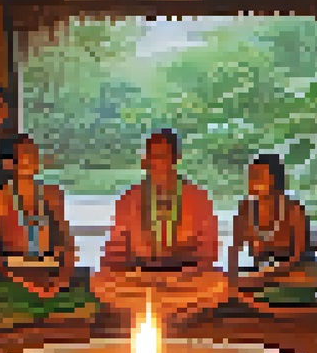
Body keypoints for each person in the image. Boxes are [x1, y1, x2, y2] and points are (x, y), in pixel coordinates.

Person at [90, 129, 232, 329]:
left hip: (181, 278)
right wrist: (122, 265)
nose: (154, 161)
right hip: (140, 276)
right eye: (150, 155)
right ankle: (173, 315)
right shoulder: (129, 198)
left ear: (175, 158)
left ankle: (148, 313)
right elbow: (116, 246)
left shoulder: (197, 197)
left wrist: (183, 267)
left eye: (161, 155)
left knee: (218, 283)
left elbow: (209, 248)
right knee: (99, 281)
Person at [0, 136, 99, 329]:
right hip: (13, 277)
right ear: (11, 163)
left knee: (89, 301)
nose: (28, 161)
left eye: (32, 155)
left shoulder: (52, 194)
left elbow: (67, 244)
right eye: (23, 155)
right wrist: (24, 281)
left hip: (49, 272)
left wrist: (62, 277)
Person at [228, 153, 317, 316]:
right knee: (220, 280)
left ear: (275, 180)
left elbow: (297, 257)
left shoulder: (294, 210)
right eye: (250, 176)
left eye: (258, 176)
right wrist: (232, 276)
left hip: (294, 272)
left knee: (311, 276)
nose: (252, 181)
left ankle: (258, 294)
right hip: (261, 272)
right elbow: (234, 250)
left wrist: (266, 275)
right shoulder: (245, 210)